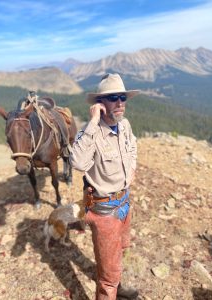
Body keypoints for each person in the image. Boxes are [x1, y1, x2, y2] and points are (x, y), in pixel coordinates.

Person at [70, 73, 139, 300]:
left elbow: (133, 150)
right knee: (107, 277)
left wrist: (129, 176)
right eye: (112, 98)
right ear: (100, 103)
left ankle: (119, 286)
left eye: (123, 97)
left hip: (124, 203)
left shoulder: (125, 125)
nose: (120, 102)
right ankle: (112, 288)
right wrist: (91, 122)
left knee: (123, 250)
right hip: (104, 212)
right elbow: (78, 162)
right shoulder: (90, 133)